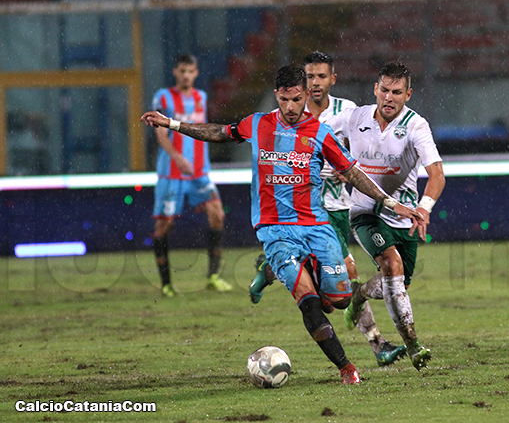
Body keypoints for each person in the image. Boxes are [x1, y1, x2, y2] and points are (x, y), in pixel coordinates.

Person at [141, 65, 422, 384]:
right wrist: (172, 124)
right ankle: (346, 368)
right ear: (277, 95)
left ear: (306, 95)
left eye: (297, 99)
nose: (290, 107)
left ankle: (274, 270)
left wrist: (390, 202)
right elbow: (219, 132)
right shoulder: (258, 124)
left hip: (317, 228)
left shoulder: (320, 133)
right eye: (284, 99)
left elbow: (353, 173)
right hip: (275, 230)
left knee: (341, 300)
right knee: (310, 303)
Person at [330, 61, 446, 370]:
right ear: (375, 89)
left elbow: (437, 173)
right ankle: (414, 345)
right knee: (392, 265)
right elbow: (322, 137)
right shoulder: (355, 117)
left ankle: (358, 296)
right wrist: (340, 163)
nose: (389, 97)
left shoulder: (416, 126)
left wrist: (424, 208)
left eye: (396, 92)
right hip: (365, 212)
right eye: (384, 90)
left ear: (408, 95)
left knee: (396, 284)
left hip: (404, 216)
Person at [301, 50, 408, 367]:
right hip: (306, 208)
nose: (315, 82)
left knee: (335, 290)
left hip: (337, 207)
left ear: (332, 79)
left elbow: (364, 146)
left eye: (321, 76)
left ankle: (269, 267)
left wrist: (348, 166)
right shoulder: (290, 114)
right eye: (310, 76)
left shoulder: (347, 111)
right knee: (344, 277)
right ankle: (378, 345)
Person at [150, 54, 232, 297]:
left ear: (196, 73)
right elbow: (160, 132)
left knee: (217, 214)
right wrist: (177, 157)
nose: (186, 75)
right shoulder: (163, 97)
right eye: (182, 71)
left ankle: (213, 276)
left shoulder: (201, 97)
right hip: (171, 173)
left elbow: (201, 129)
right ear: (175, 72)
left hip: (199, 173)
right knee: (164, 225)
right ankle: (166, 284)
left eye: (190, 71)